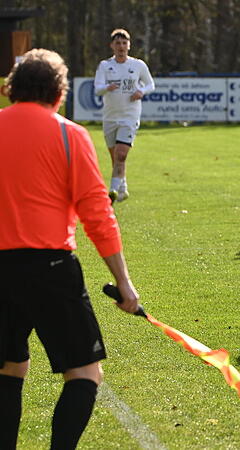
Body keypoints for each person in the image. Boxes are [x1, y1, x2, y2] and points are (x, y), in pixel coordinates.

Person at [0, 49, 141, 448]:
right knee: (84, 373)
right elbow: (97, 215)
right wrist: (123, 282)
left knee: (9, 367)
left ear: (12, 89)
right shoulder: (69, 135)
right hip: (51, 268)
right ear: (59, 92)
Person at [94, 28, 155, 203]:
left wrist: (141, 91)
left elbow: (150, 84)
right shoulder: (105, 66)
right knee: (115, 157)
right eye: (118, 43)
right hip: (110, 117)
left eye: (124, 43)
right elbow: (97, 89)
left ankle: (112, 192)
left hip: (129, 117)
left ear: (129, 45)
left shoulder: (138, 65)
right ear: (112, 46)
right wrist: (107, 87)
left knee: (121, 154)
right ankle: (123, 187)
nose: (121, 46)